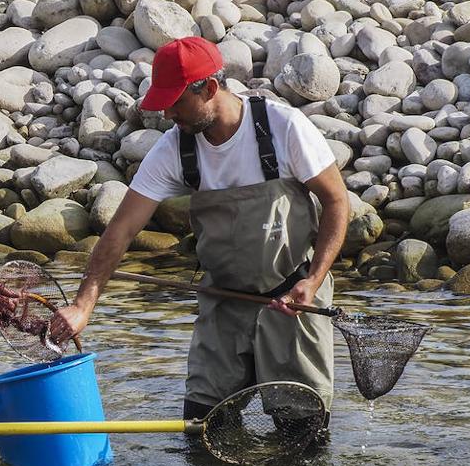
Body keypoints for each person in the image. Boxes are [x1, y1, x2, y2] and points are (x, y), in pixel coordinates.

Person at [49, 37, 349, 422]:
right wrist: (82, 305)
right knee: (201, 428)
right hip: (223, 303)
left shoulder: (284, 127)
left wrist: (313, 280)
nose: (169, 114)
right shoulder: (175, 148)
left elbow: (337, 202)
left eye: (176, 102)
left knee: (300, 435)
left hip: (293, 301)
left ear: (209, 88)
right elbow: (120, 231)